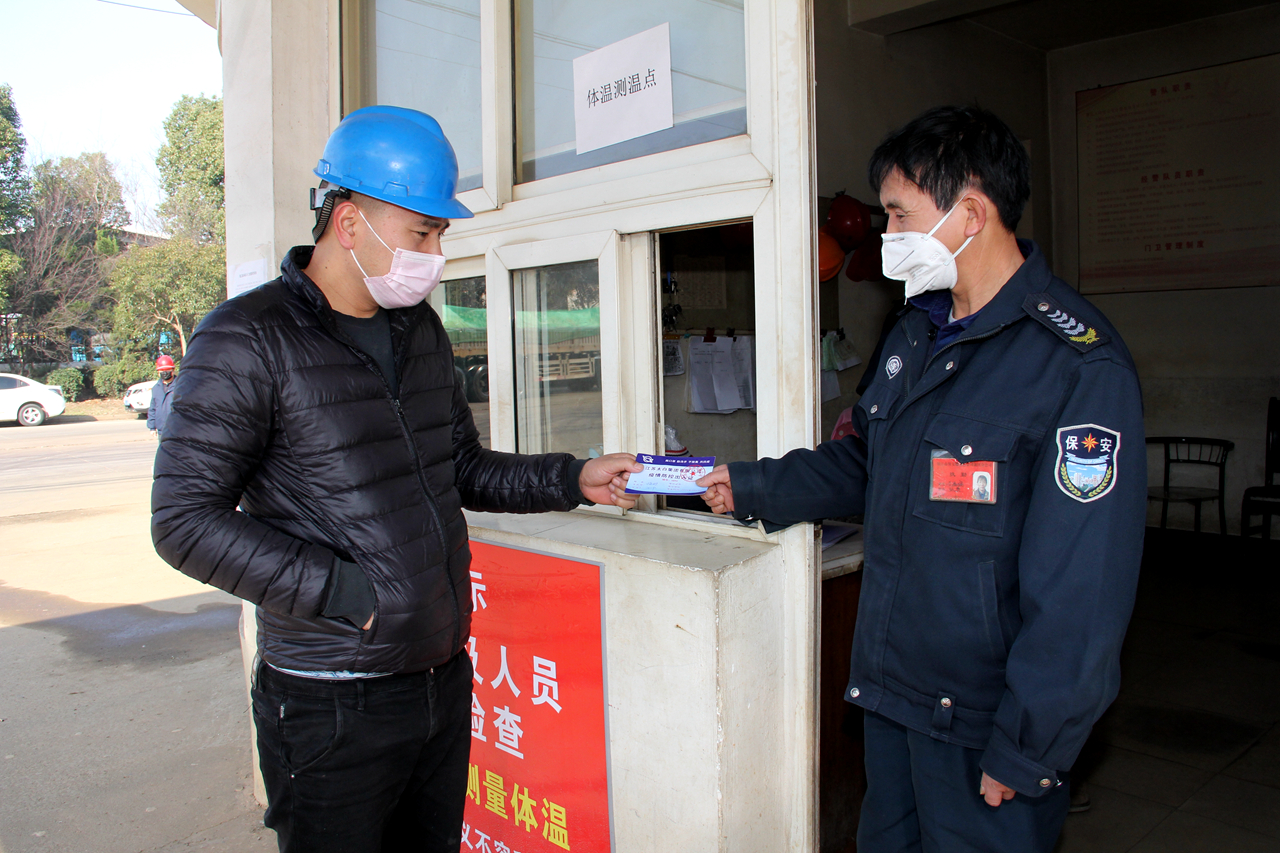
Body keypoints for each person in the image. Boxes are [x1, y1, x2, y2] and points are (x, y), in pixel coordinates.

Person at [150, 105, 642, 853]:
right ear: (350, 223)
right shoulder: (247, 339)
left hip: (439, 677)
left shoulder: (418, 330)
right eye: (422, 233)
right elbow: (184, 521)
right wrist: (348, 594)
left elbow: (462, 466)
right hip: (330, 699)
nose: (435, 254)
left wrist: (575, 478)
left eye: (440, 234)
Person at [698, 105, 1145, 853]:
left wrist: (1029, 744)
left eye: (900, 215)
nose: (888, 235)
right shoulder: (916, 332)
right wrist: (749, 485)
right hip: (892, 697)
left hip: (983, 725)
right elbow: (870, 465)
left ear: (970, 214)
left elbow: (1084, 587)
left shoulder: (1076, 364)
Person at [146, 354, 176, 438]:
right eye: (162, 370)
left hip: (177, 430)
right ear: (158, 372)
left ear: (173, 370)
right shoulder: (156, 388)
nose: (164, 372)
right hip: (162, 431)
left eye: (167, 370)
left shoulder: (180, 387)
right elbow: (153, 408)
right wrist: (152, 427)